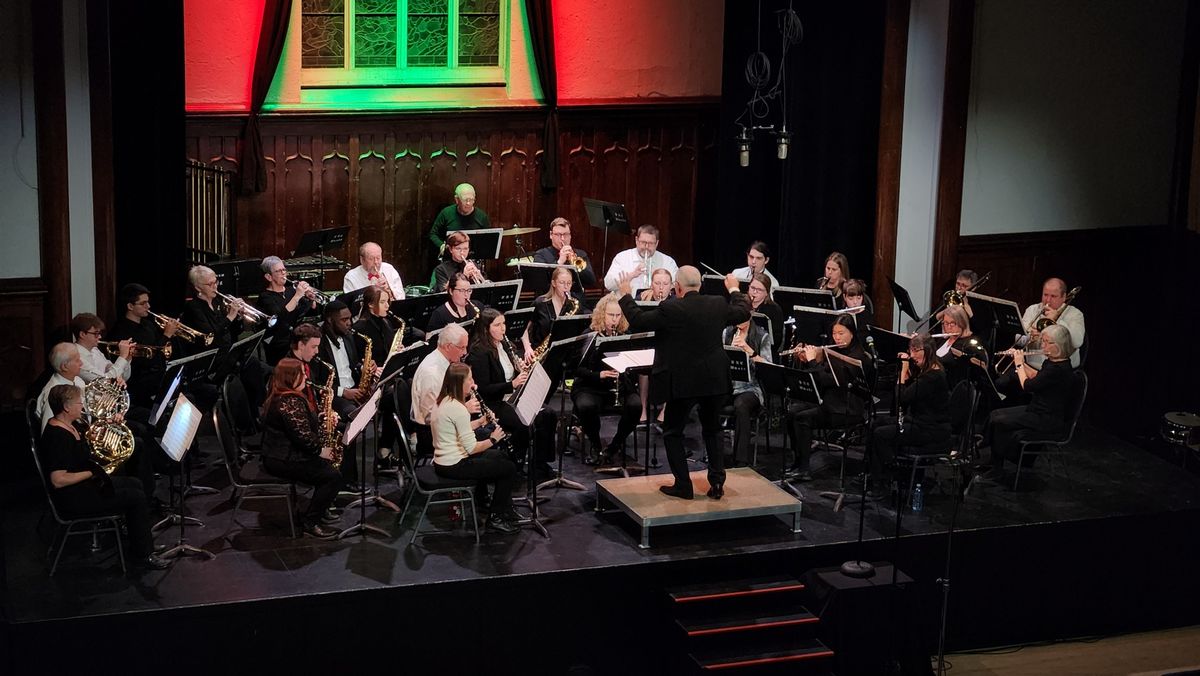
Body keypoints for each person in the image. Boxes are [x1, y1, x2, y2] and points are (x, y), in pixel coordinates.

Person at [618, 266, 751, 500]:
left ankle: (683, 485)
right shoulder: (717, 303)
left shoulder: (671, 307)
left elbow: (638, 321)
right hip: (714, 380)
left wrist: (626, 295)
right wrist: (733, 288)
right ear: (699, 285)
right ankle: (717, 483)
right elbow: (742, 311)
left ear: (677, 287)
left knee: (672, 431)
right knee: (713, 429)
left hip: (683, 382)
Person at [39, 384, 170, 569]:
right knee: (136, 496)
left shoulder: (73, 424)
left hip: (88, 485)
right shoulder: (56, 436)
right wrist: (93, 472)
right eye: (79, 402)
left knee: (135, 483)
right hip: (74, 497)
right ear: (66, 407)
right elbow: (58, 480)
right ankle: (144, 555)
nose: (82, 405)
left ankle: (141, 542)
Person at [466, 308, 558, 479]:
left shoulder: (504, 345)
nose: (503, 329)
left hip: (512, 397)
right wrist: (512, 384)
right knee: (524, 423)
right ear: (486, 328)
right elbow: (484, 388)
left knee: (549, 414)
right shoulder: (479, 352)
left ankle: (540, 464)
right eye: (497, 325)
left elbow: (510, 373)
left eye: (504, 324)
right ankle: (514, 464)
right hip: (494, 403)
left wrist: (519, 369)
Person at [430, 362, 521, 534]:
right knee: (508, 469)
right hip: (455, 465)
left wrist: (480, 422)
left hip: (443, 461)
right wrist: (494, 439)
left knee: (499, 457)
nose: (473, 383)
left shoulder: (444, 401)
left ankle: (499, 506)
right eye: (469, 379)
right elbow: (472, 448)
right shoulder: (458, 409)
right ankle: (496, 517)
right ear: (459, 383)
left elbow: (455, 429)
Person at [260, 359, 344, 539]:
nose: (307, 377)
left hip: (281, 454)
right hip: (283, 459)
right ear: (291, 378)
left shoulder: (283, 395)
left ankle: (321, 508)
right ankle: (310, 523)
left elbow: (299, 427)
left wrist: (321, 418)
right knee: (332, 477)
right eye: (302, 374)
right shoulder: (289, 401)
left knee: (328, 471)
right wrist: (322, 450)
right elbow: (304, 439)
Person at [784, 315, 875, 481]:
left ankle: (804, 469)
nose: (837, 337)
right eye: (834, 333)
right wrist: (806, 360)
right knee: (791, 413)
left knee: (803, 419)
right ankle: (798, 461)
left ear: (852, 333)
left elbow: (829, 380)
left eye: (841, 333)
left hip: (846, 408)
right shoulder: (835, 352)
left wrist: (813, 361)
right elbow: (819, 377)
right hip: (830, 403)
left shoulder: (857, 357)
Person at [982, 324, 1076, 479]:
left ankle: (996, 466)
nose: (1043, 345)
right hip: (1037, 410)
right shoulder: (1052, 362)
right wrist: (1021, 362)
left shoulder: (1058, 369)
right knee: (995, 414)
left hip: (1047, 418)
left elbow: (1027, 386)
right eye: (1043, 341)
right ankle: (993, 461)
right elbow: (1037, 377)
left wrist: (1019, 363)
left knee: (999, 421)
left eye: (1046, 342)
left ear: (1058, 345)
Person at [868, 332, 952, 497]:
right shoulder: (927, 370)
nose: (912, 355)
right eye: (911, 350)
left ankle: (888, 478)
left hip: (930, 430)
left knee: (881, 435)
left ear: (928, 350)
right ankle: (875, 476)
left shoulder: (933, 376)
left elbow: (903, 398)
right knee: (875, 423)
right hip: (918, 422)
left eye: (916, 351)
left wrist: (903, 372)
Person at [572, 294, 641, 465]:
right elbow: (576, 368)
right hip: (590, 386)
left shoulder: (626, 335)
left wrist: (626, 368)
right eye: (611, 315)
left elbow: (635, 367)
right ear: (602, 314)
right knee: (586, 406)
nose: (615, 320)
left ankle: (614, 446)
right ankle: (595, 445)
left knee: (635, 405)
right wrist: (599, 375)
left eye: (618, 315)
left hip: (619, 386)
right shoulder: (589, 335)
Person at [108, 283, 178, 408]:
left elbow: (162, 350)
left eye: (148, 302)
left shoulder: (148, 325)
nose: (148, 306)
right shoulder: (122, 332)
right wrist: (167, 335)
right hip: (140, 385)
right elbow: (148, 360)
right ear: (130, 306)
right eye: (143, 303)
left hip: (157, 376)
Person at [411, 323, 471, 455]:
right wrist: (465, 408)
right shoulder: (432, 373)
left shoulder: (444, 362)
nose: (465, 352)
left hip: (445, 426)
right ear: (449, 346)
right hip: (431, 434)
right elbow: (429, 416)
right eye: (462, 347)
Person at [723, 316, 773, 467]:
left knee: (741, 406)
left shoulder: (761, 336)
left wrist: (749, 351)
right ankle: (714, 455)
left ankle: (740, 460)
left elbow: (768, 367)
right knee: (708, 401)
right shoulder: (727, 332)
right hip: (728, 386)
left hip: (750, 388)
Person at [258, 256, 317, 365]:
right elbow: (280, 317)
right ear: (269, 277)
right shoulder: (265, 297)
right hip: (279, 344)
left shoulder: (291, 290)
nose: (283, 273)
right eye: (278, 271)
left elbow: (310, 311)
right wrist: (298, 295)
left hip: (296, 338)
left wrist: (311, 298)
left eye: (284, 269)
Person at [1019, 278, 1084, 369]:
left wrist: (1057, 322)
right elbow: (1018, 339)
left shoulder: (1075, 314)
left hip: (1062, 371)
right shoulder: (1032, 310)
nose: (1048, 300)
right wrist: (1031, 337)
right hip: (1033, 368)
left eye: (1053, 296)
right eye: (1045, 295)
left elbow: (1077, 342)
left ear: (1064, 297)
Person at [524, 266, 582, 358]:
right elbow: (524, 329)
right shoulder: (540, 303)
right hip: (539, 353)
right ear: (554, 283)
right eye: (562, 283)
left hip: (561, 354)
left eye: (569, 283)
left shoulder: (573, 305)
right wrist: (527, 348)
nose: (566, 287)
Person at [604, 224, 679, 295]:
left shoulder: (668, 261)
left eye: (651, 243)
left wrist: (659, 282)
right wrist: (632, 275)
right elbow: (608, 285)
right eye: (643, 242)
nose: (646, 247)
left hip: (658, 306)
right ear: (636, 240)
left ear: (657, 243)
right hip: (626, 306)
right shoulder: (622, 257)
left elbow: (677, 285)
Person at [532, 217, 597, 293]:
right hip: (550, 300)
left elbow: (591, 280)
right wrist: (559, 262)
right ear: (551, 235)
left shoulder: (580, 254)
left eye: (566, 234)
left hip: (576, 298)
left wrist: (573, 263)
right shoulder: (540, 255)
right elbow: (541, 283)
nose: (562, 238)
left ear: (570, 235)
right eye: (558, 235)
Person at [70, 313, 132, 384]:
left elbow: (123, 376)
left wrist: (127, 358)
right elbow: (104, 381)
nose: (100, 337)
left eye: (99, 333)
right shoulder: (76, 356)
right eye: (96, 334)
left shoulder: (95, 350)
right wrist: (122, 357)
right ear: (82, 334)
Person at [429, 182, 491, 252]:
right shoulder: (446, 213)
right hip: (451, 256)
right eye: (465, 200)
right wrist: (442, 246)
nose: (468, 203)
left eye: (471, 200)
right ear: (456, 199)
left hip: (475, 256)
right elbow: (433, 234)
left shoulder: (482, 216)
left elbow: (489, 239)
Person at [936, 305, 986, 390]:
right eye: (945, 323)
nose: (948, 327)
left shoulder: (968, 344)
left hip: (952, 388)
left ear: (962, 323)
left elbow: (949, 363)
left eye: (952, 323)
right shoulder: (942, 341)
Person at [746, 273, 784, 351]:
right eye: (752, 288)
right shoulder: (742, 304)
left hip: (764, 350)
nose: (754, 292)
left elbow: (776, 340)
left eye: (759, 290)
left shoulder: (774, 309)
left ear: (766, 293)